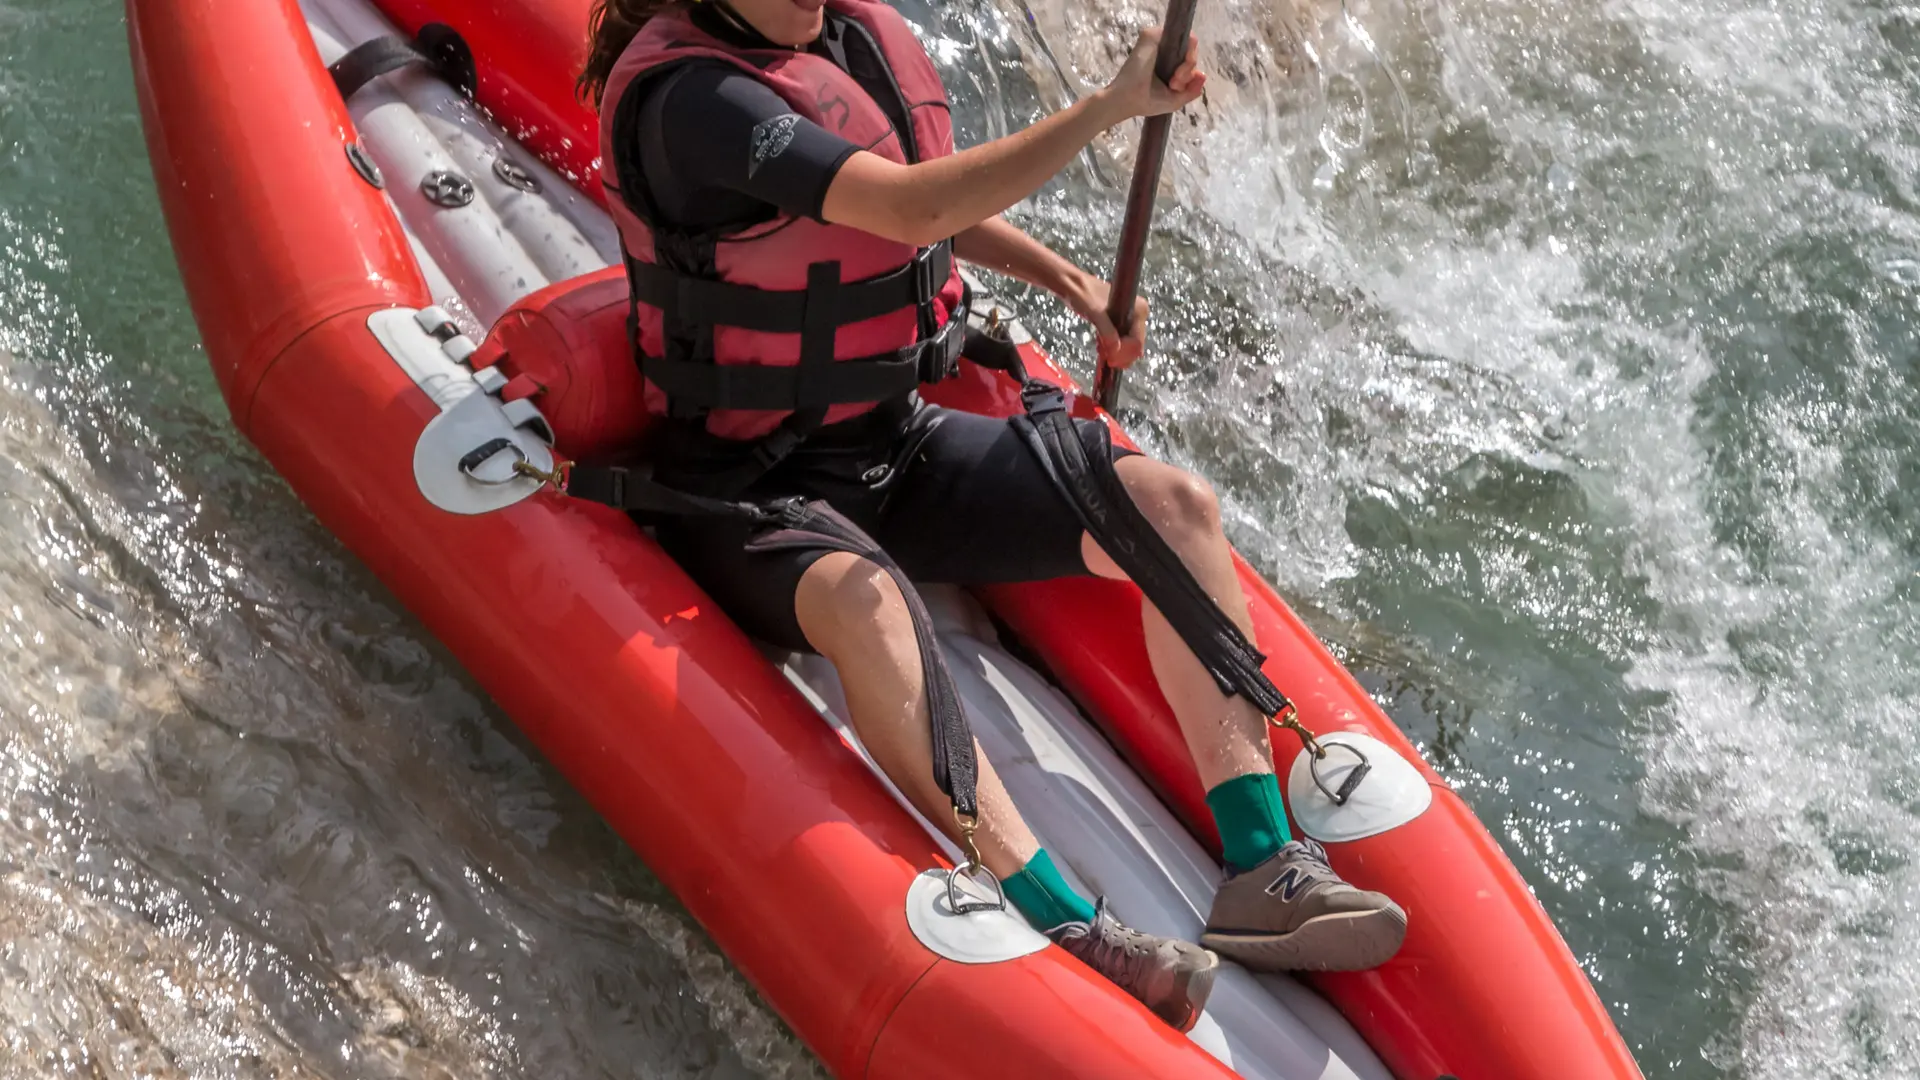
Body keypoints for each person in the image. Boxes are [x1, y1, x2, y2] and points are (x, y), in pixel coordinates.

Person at [575, 0, 1406, 1032]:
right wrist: (1111, 103)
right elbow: (910, 205)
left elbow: (908, 211)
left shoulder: (840, 40)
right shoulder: (700, 100)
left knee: (1172, 505)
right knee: (871, 602)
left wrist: (1067, 279)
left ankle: (1264, 864)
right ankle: (1068, 920)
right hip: (745, 487)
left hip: (895, 442)